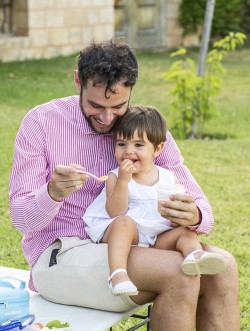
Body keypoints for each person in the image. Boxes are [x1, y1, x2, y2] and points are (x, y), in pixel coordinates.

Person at [9, 39, 240, 330]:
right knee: (179, 271)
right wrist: (52, 192)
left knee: (224, 266)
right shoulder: (40, 123)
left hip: (139, 246)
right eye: (95, 105)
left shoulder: (144, 131)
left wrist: (194, 215)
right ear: (78, 80)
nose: (107, 119)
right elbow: (21, 219)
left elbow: (201, 205)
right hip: (62, 253)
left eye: (118, 106)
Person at [84, 105, 227, 296]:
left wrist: (176, 216)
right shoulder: (115, 177)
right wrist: (124, 181)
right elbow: (115, 212)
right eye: (121, 144)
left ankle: (196, 255)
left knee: (185, 231)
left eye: (138, 145)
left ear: (158, 149)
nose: (128, 151)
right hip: (127, 234)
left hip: (156, 237)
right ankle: (118, 274)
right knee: (124, 223)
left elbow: (175, 210)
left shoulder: (168, 177)